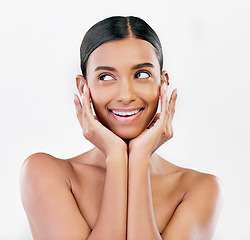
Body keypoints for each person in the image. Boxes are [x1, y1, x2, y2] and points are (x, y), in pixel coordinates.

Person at [20, 16, 223, 240]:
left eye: (141, 74)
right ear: (83, 87)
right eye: (106, 77)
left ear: (163, 83)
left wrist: (139, 159)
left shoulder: (200, 189)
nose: (126, 96)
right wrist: (116, 157)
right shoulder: (46, 173)